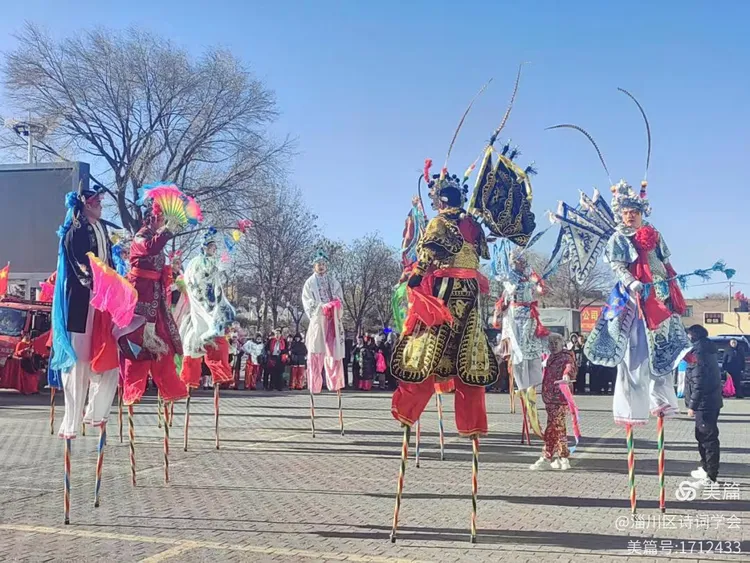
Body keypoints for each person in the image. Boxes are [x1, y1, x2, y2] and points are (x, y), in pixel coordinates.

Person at [51, 186, 120, 438]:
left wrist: (113, 282)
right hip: (82, 301)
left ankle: (96, 412)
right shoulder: (75, 229)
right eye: (97, 202)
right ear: (86, 205)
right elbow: (78, 265)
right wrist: (95, 280)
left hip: (103, 299)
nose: (101, 206)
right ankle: (71, 421)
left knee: (110, 359)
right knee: (78, 363)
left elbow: (109, 261)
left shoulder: (102, 228)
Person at [119, 204, 188, 407]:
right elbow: (151, 248)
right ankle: (132, 390)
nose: (162, 221)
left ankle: (170, 388)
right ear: (150, 219)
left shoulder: (155, 238)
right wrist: (167, 230)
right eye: (160, 218)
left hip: (156, 295)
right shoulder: (140, 237)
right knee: (137, 343)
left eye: (163, 219)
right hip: (140, 295)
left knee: (164, 341)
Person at [179, 230, 236, 391]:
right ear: (204, 247)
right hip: (201, 301)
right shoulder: (196, 262)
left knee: (218, 331)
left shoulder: (212, 261)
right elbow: (193, 281)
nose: (214, 250)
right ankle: (190, 377)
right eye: (212, 247)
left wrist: (230, 249)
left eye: (215, 248)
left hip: (213, 301)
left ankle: (219, 372)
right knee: (196, 335)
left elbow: (222, 266)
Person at [684, 324, 723, 490]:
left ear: (694, 335)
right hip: (709, 402)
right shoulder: (706, 349)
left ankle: (711, 476)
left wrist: (692, 405)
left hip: (705, 403)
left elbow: (699, 381)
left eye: (688, 335)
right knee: (702, 437)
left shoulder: (699, 353)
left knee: (708, 439)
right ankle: (706, 468)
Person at [301, 250, 346, 394]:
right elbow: (307, 301)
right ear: (314, 266)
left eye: (323, 264)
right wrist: (321, 307)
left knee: (334, 352)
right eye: (318, 264)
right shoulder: (310, 283)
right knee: (316, 350)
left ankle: (335, 383)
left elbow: (339, 296)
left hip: (332, 318)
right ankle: (314, 384)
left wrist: (336, 304)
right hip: (319, 319)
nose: (321, 266)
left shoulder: (333, 281)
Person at [530, 333, 576, 471]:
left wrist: (566, 375)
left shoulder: (565, 356)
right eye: (551, 343)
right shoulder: (549, 357)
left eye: (556, 343)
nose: (553, 346)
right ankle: (562, 458)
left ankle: (548, 456)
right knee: (557, 426)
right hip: (549, 398)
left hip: (560, 398)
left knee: (554, 427)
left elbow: (569, 367)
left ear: (562, 343)